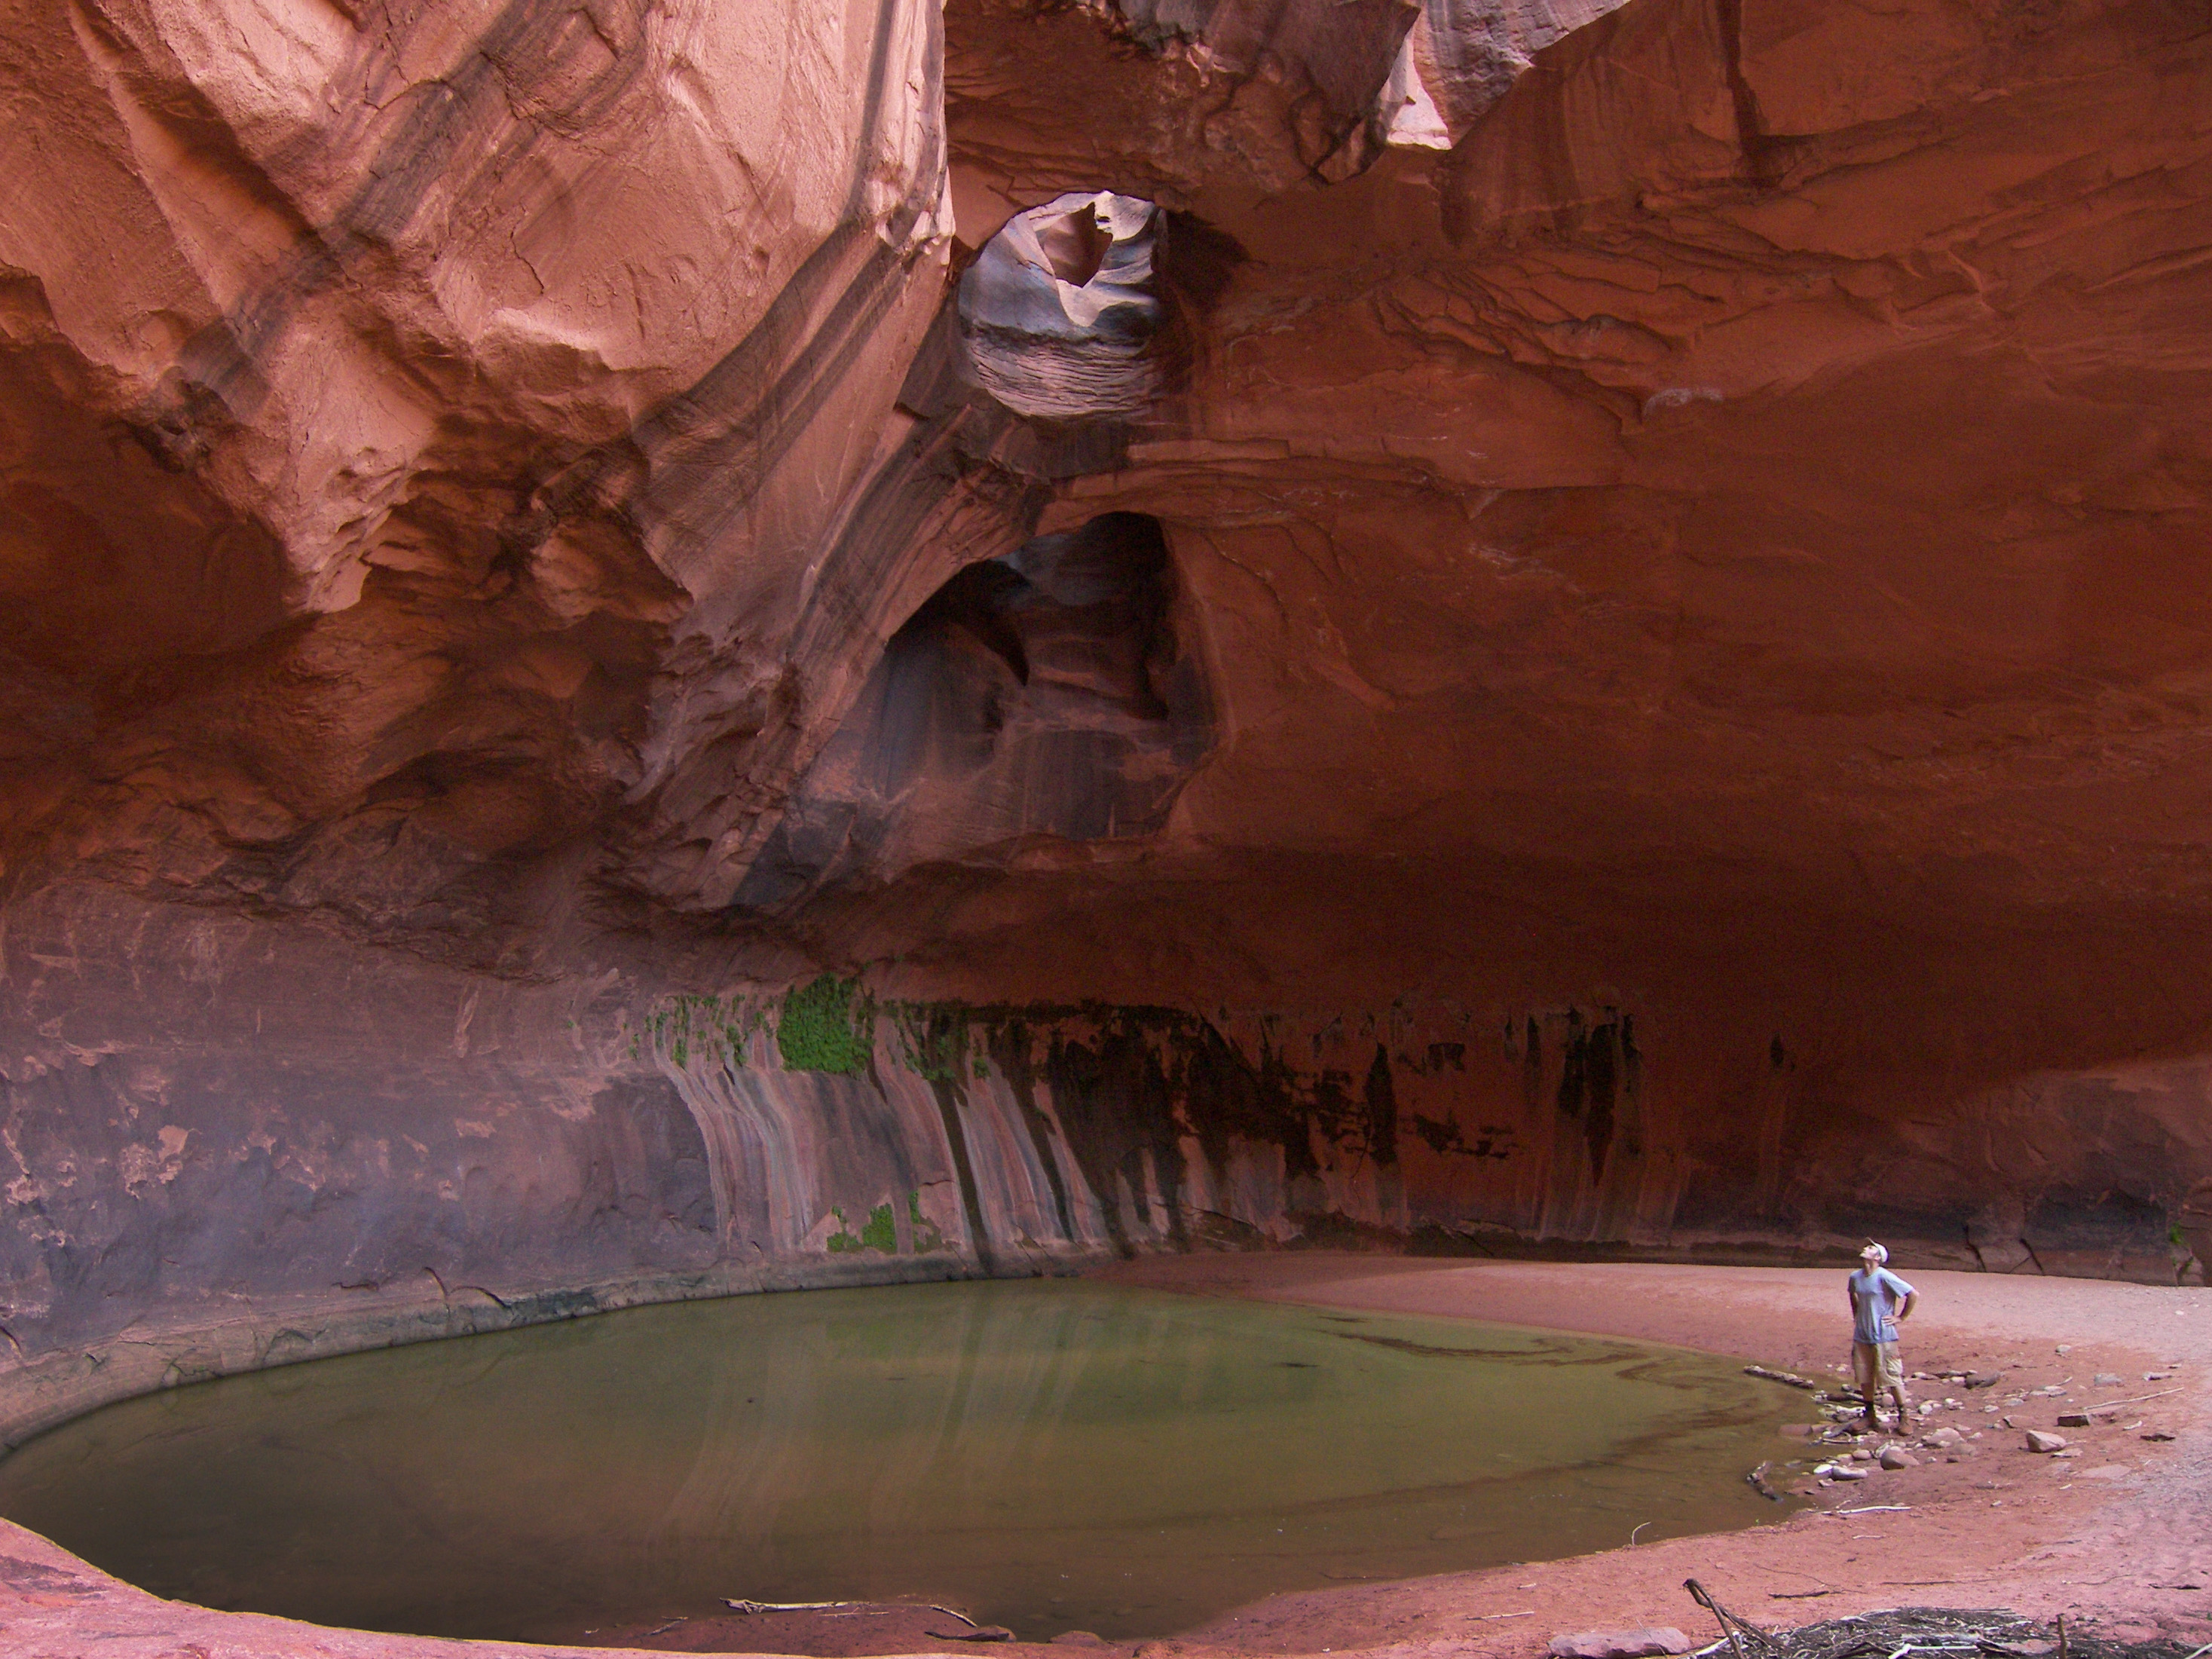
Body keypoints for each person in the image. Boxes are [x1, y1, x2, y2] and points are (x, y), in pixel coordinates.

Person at [1847, 1241, 1917, 1431]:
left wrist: (1900, 1318)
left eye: (1871, 1248)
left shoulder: (1884, 1276)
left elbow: (1912, 1294)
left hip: (1884, 1336)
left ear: (1878, 1258)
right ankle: (1870, 1415)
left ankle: (1905, 1417)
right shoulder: (1855, 1277)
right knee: (1865, 1376)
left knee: (1891, 1376)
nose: (1865, 1248)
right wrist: (1857, 1315)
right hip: (1862, 1334)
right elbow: (1853, 1294)